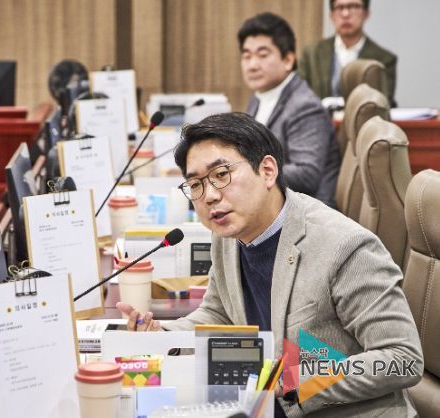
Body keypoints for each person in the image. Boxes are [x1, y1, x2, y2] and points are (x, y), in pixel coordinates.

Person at [117, 112, 423, 417]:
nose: (209, 196)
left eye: (221, 174)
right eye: (195, 184)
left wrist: (292, 382)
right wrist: (164, 333)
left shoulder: (344, 246)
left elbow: (404, 359)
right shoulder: (228, 234)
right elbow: (220, 312)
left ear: (267, 170)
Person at [238, 12, 340, 208]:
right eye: (246, 55)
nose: (252, 65)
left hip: (304, 215)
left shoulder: (304, 106)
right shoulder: (259, 97)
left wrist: (245, 172)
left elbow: (307, 174)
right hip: (272, 205)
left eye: (262, 55)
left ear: (288, 60)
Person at [298, 0, 397, 107]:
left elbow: (382, 102)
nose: (345, 14)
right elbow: (301, 96)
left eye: (354, 6)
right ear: (331, 15)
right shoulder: (311, 54)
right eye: (339, 7)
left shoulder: (384, 59)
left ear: (366, 13)